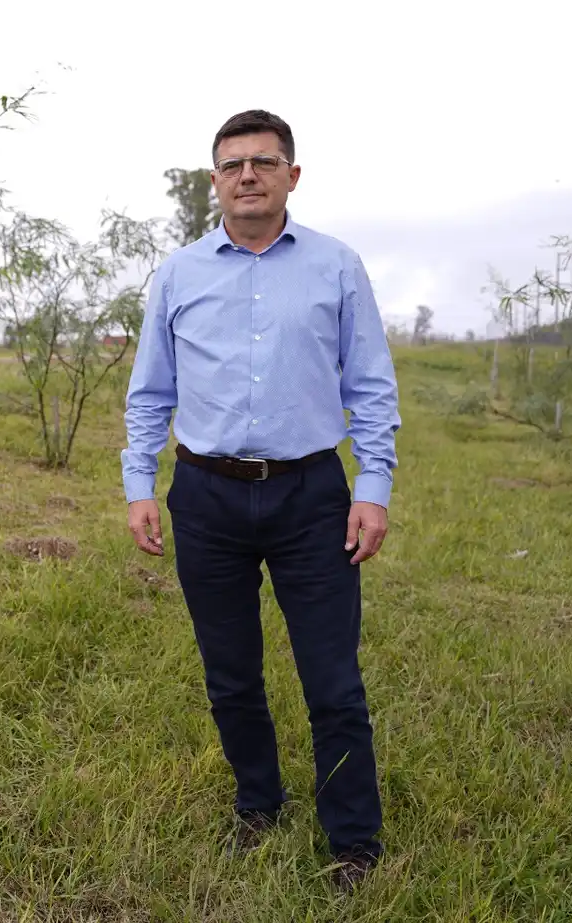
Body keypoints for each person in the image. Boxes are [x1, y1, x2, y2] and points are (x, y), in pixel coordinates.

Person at [121, 109, 400, 891]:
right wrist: (139, 485)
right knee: (231, 674)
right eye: (234, 163)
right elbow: (151, 391)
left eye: (264, 162)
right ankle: (258, 802)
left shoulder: (336, 267)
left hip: (311, 494)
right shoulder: (178, 274)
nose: (249, 174)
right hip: (205, 496)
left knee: (332, 679)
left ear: (292, 176)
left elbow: (371, 386)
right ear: (214, 181)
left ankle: (353, 839)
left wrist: (372, 489)